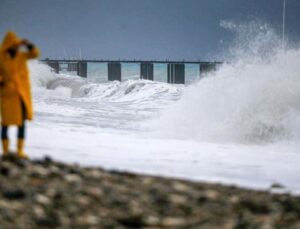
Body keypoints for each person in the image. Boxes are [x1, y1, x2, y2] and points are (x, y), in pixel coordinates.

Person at [0, 31, 40, 159]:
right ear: (8, 45)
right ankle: (6, 151)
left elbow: (35, 54)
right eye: (13, 45)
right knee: (5, 123)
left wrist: (28, 45)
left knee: (21, 123)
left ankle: (20, 150)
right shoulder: (1, 57)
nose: (16, 47)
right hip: (7, 94)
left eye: (17, 45)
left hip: (21, 94)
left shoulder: (21, 56)